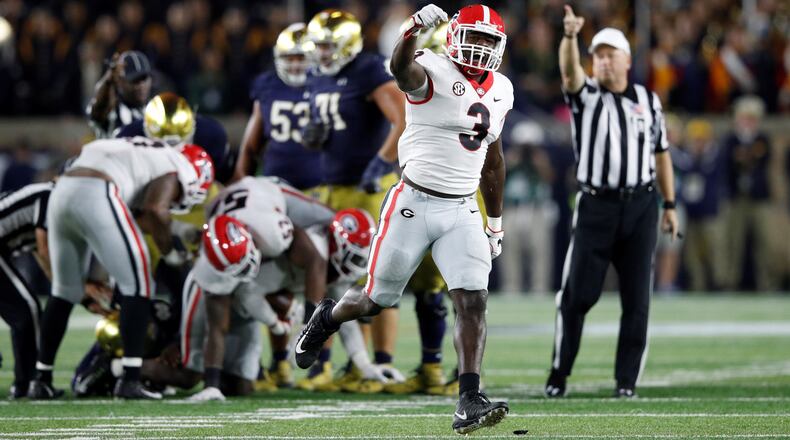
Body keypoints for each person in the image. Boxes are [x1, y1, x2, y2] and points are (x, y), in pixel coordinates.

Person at [295, 4, 512, 434]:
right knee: (376, 300)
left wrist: (495, 222)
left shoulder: (502, 88)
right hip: (412, 203)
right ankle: (327, 318)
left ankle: (469, 397)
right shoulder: (429, 67)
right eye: (475, 37)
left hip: (462, 208)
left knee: (472, 299)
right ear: (452, 36)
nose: (481, 47)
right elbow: (399, 68)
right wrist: (412, 29)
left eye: (489, 40)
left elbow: (494, 162)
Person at [545, 6, 679, 399]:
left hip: (641, 206)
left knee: (637, 299)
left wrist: (669, 205)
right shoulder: (586, 96)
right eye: (597, 55)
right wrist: (570, 38)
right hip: (595, 206)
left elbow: (661, 154)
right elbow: (570, 74)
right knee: (576, 297)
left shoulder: (647, 100)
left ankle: (626, 381)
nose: (602, 61)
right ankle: (559, 373)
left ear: (626, 59)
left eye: (609, 54)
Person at [28, 137, 214, 399]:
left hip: (64, 190)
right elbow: (155, 210)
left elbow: (141, 213)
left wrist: (178, 231)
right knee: (139, 286)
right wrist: (172, 254)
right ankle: (130, 380)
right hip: (98, 188)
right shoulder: (176, 165)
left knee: (64, 290)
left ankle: (41, 380)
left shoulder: (144, 155)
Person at [185, 176, 332, 401]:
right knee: (227, 301)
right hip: (219, 208)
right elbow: (217, 326)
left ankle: (281, 358)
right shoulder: (210, 260)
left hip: (269, 191)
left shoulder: (270, 233)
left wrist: (309, 326)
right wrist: (211, 384)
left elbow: (316, 261)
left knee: (333, 220)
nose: (244, 275)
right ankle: (221, 378)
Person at [234, 23, 320, 192]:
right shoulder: (268, 85)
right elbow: (251, 145)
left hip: (319, 184)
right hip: (275, 183)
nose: (295, 65)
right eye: (289, 58)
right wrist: (243, 182)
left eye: (301, 58)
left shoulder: (327, 85)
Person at [0, 182, 53, 398]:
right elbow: (44, 247)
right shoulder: (49, 195)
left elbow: (38, 252)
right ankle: (30, 381)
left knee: (26, 310)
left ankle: (27, 382)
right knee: (27, 311)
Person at [86, 50, 153, 139]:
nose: (140, 86)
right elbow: (98, 111)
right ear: (120, 81)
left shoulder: (155, 109)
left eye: (144, 79)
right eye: (134, 81)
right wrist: (108, 81)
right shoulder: (113, 110)